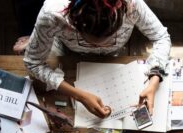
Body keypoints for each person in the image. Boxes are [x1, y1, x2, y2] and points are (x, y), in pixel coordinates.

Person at [24, 0, 171, 118]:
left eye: (109, 38)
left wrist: (154, 80)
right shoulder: (52, 14)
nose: (97, 46)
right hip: (66, 52)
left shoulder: (132, 5)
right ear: (73, 24)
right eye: (90, 41)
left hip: (113, 56)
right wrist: (79, 95)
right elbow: (32, 63)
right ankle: (32, 39)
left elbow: (161, 37)